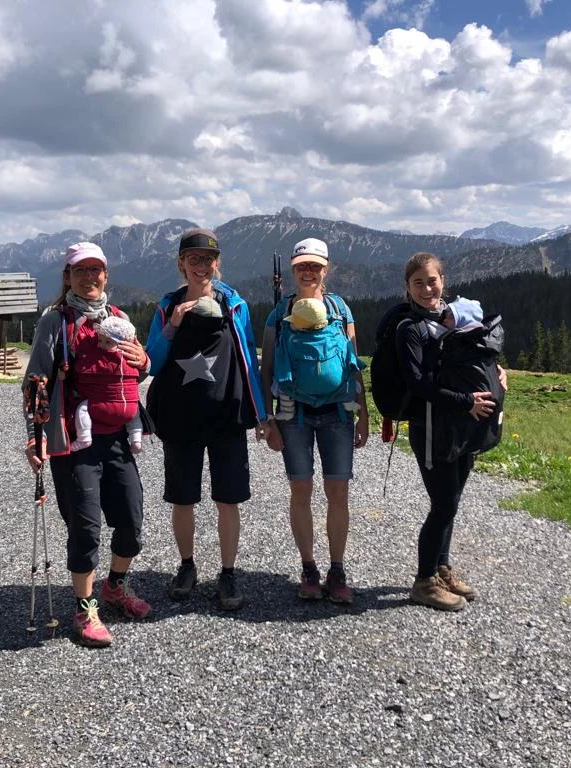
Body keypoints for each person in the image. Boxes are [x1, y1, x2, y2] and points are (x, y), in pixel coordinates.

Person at [22, 241, 152, 647]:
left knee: (131, 522)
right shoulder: (54, 322)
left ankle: (115, 585)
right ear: (68, 277)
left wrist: (143, 361)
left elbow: (138, 370)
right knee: (85, 527)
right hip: (76, 443)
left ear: (106, 276)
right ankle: (84, 607)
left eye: (97, 270)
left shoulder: (119, 318)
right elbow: (36, 382)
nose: (90, 277)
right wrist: (34, 436)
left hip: (118, 439)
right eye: (81, 271)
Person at [145, 227, 268, 611]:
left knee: (227, 498)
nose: (202, 266)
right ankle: (187, 566)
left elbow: (249, 359)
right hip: (181, 419)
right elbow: (151, 360)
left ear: (218, 263)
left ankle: (228, 573)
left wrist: (261, 415)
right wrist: (174, 325)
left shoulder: (235, 305)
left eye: (208, 259)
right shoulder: (168, 306)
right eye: (194, 259)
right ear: (181, 264)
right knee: (183, 498)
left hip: (226, 416)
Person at [260, 237, 369, 604]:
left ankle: (336, 568)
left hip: (338, 414)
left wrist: (363, 413)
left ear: (326, 269)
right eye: (302, 266)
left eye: (315, 266)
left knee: (338, 493)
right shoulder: (278, 315)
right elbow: (266, 371)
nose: (309, 271)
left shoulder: (341, 311)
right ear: (293, 269)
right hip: (294, 417)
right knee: (301, 491)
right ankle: (309, 567)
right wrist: (267, 419)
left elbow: (354, 366)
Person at [396, 252, 506, 611]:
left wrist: (498, 371)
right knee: (443, 504)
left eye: (432, 280)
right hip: (431, 429)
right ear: (408, 288)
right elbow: (417, 384)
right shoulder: (410, 329)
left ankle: (441, 569)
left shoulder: (456, 317)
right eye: (418, 283)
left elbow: (474, 351)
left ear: (443, 279)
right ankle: (423, 582)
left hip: (462, 428)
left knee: (452, 504)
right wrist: (465, 401)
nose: (427, 288)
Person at [70, 315, 144, 454]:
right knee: (135, 413)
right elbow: (139, 375)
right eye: (100, 340)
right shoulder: (132, 359)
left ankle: (84, 437)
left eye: (108, 342)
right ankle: (136, 439)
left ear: (122, 343)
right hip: (128, 406)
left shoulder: (101, 358)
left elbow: (81, 369)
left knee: (82, 409)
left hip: (102, 406)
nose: (102, 345)